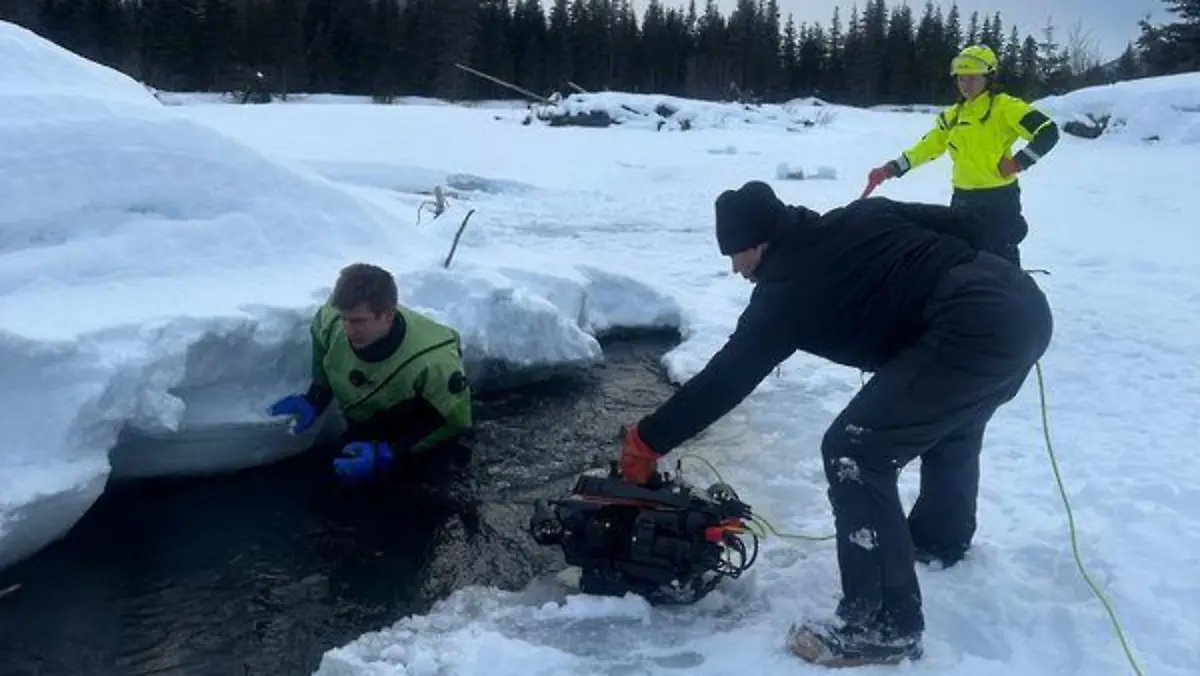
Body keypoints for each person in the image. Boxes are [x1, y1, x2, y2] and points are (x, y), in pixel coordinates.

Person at [618, 181, 1053, 667]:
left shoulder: (785, 293)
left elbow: (726, 378)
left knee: (855, 450)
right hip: (1022, 304)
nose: (734, 268)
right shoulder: (862, 215)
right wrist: (997, 290)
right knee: (951, 422)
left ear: (760, 244)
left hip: (974, 323)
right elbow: (969, 224)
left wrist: (647, 441)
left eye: (737, 254)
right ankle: (938, 540)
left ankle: (884, 626)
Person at [267, 262, 474, 489]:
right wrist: (315, 398)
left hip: (423, 429)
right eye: (344, 318)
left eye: (358, 321)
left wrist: (389, 452)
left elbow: (453, 419)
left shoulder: (434, 360)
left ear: (388, 315)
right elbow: (321, 340)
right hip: (369, 423)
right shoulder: (332, 321)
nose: (348, 329)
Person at [866, 44, 1060, 267]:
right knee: (962, 262)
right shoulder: (954, 115)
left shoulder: (1006, 107)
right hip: (962, 200)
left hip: (998, 201)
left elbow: (1048, 131)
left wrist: (1019, 162)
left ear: (988, 77)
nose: (965, 85)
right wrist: (893, 167)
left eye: (972, 78)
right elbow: (929, 146)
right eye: (961, 79)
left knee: (1001, 265)